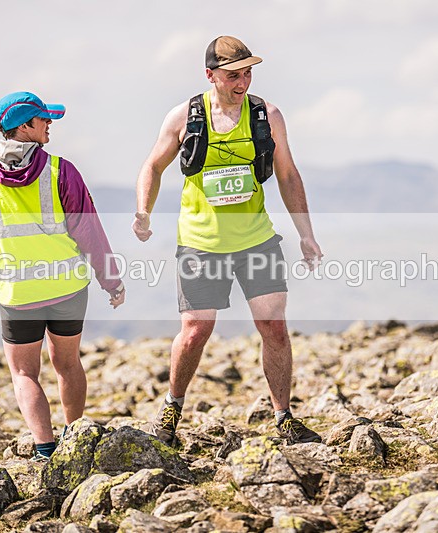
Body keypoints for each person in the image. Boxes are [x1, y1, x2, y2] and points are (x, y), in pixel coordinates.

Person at [133, 36, 324, 445]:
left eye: (249, 73)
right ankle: (172, 408)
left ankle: (283, 416)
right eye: (234, 75)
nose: (243, 82)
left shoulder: (266, 115)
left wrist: (306, 234)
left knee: (273, 326)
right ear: (211, 76)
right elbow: (153, 165)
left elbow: (288, 175)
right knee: (195, 330)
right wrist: (144, 211)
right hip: (201, 242)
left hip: (257, 240)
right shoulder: (184, 116)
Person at [0, 91, 125, 460]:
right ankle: (74, 437)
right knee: (67, 363)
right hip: (67, 288)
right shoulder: (61, 170)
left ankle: (45, 449)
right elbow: (90, 232)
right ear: (24, 126)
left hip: (18, 292)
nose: (50, 124)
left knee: (24, 374)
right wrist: (111, 280)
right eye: (43, 119)